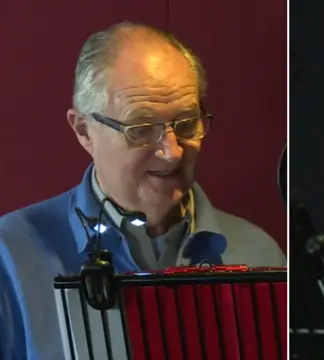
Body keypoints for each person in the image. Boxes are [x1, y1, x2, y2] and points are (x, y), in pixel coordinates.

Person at [0, 22, 285, 359]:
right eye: (141, 129)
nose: (172, 152)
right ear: (84, 131)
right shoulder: (11, 254)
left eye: (186, 124)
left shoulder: (259, 254)